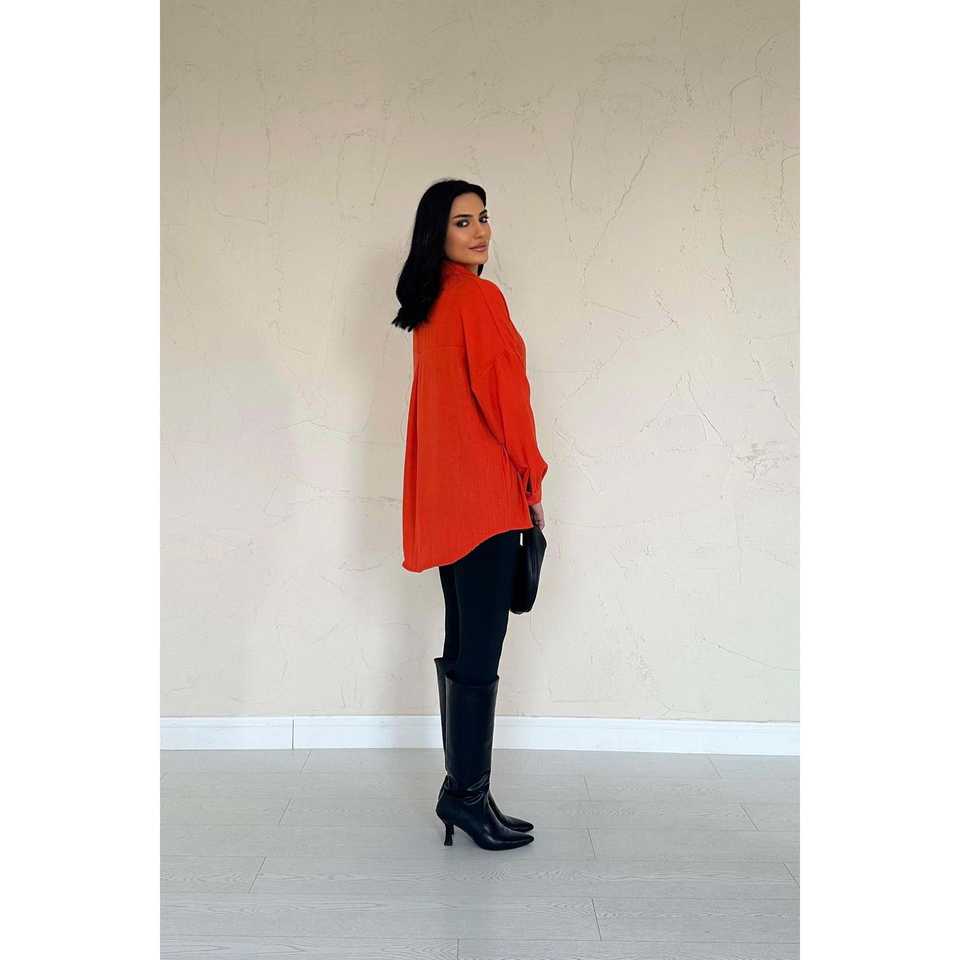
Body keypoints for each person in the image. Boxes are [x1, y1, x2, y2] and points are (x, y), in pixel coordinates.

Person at [392, 179, 549, 851]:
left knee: (463, 641)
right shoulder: (480, 300)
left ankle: (465, 793)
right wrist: (532, 478)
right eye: (463, 221)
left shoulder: (429, 305)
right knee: (480, 650)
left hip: (447, 503)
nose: (480, 230)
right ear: (438, 232)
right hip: (486, 502)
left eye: (483, 217)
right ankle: (465, 796)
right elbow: (507, 401)